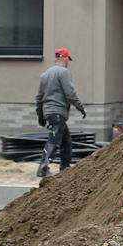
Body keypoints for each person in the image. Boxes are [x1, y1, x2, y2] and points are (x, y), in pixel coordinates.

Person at [35, 47, 87, 177]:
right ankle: (43, 167)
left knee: (66, 141)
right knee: (54, 139)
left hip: (50, 112)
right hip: (58, 112)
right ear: (64, 58)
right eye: (68, 59)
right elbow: (70, 93)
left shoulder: (45, 75)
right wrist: (81, 108)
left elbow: (39, 97)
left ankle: (65, 169)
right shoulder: (63, 72)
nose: (68, 62)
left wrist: (40, 116)